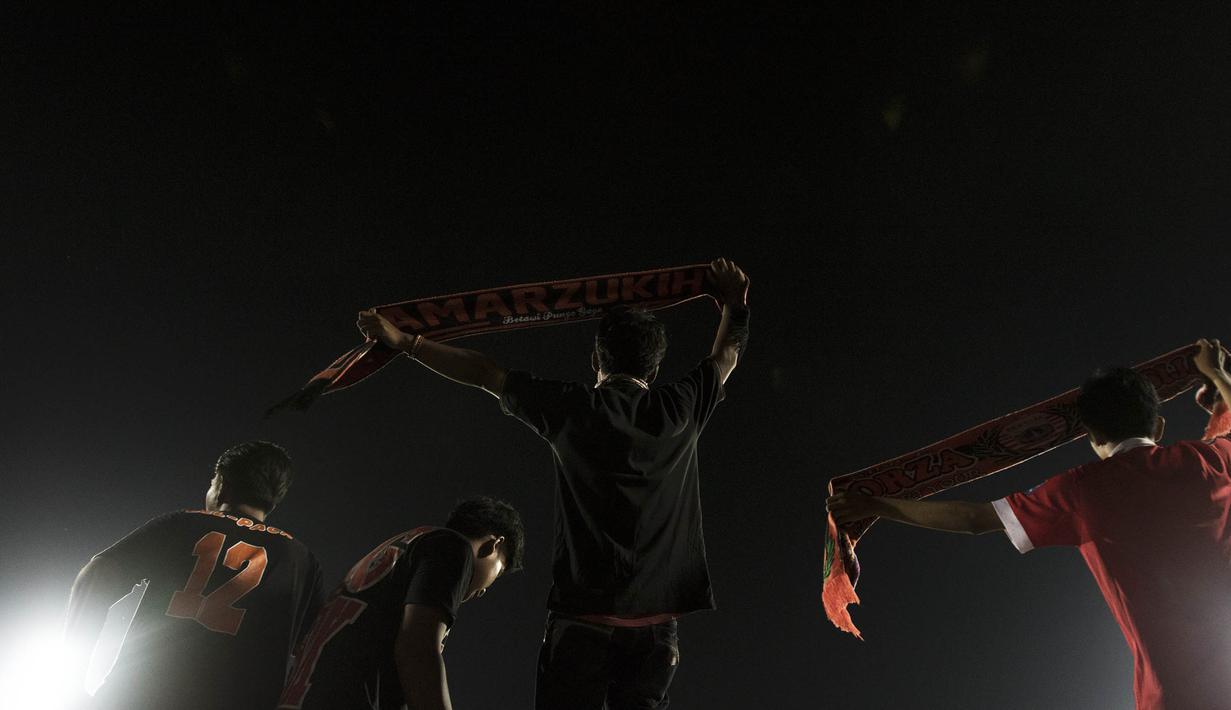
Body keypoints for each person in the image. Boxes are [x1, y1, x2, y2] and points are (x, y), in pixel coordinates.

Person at [355, 257, 750, 709]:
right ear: (655, 369)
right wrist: (734, 303)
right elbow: (727, 355)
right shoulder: (680, 409)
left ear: (597, 358)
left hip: (582, 624)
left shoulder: (572, 409)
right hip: (655, 632)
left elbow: (484, 372)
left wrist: (407, 341)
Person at [827, 341, 1231, 710]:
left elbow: (974, 519)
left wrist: (877, 504)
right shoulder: (1209, 462)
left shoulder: (1081, 491)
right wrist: (1218, 375)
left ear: (1091, 435)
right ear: (1157, 427)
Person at [65, 441, 324, 710]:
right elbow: (317, 650)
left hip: (143, 698)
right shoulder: (301, 559)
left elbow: (96, 576)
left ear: (221, 482)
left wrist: (73, 675)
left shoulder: (181, 524)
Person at [277, 497, 525, 710]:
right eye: (498, 572)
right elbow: (417, 650)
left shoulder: (404, 546)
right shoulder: (452, 547)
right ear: (494, 545)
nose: (483, 591)